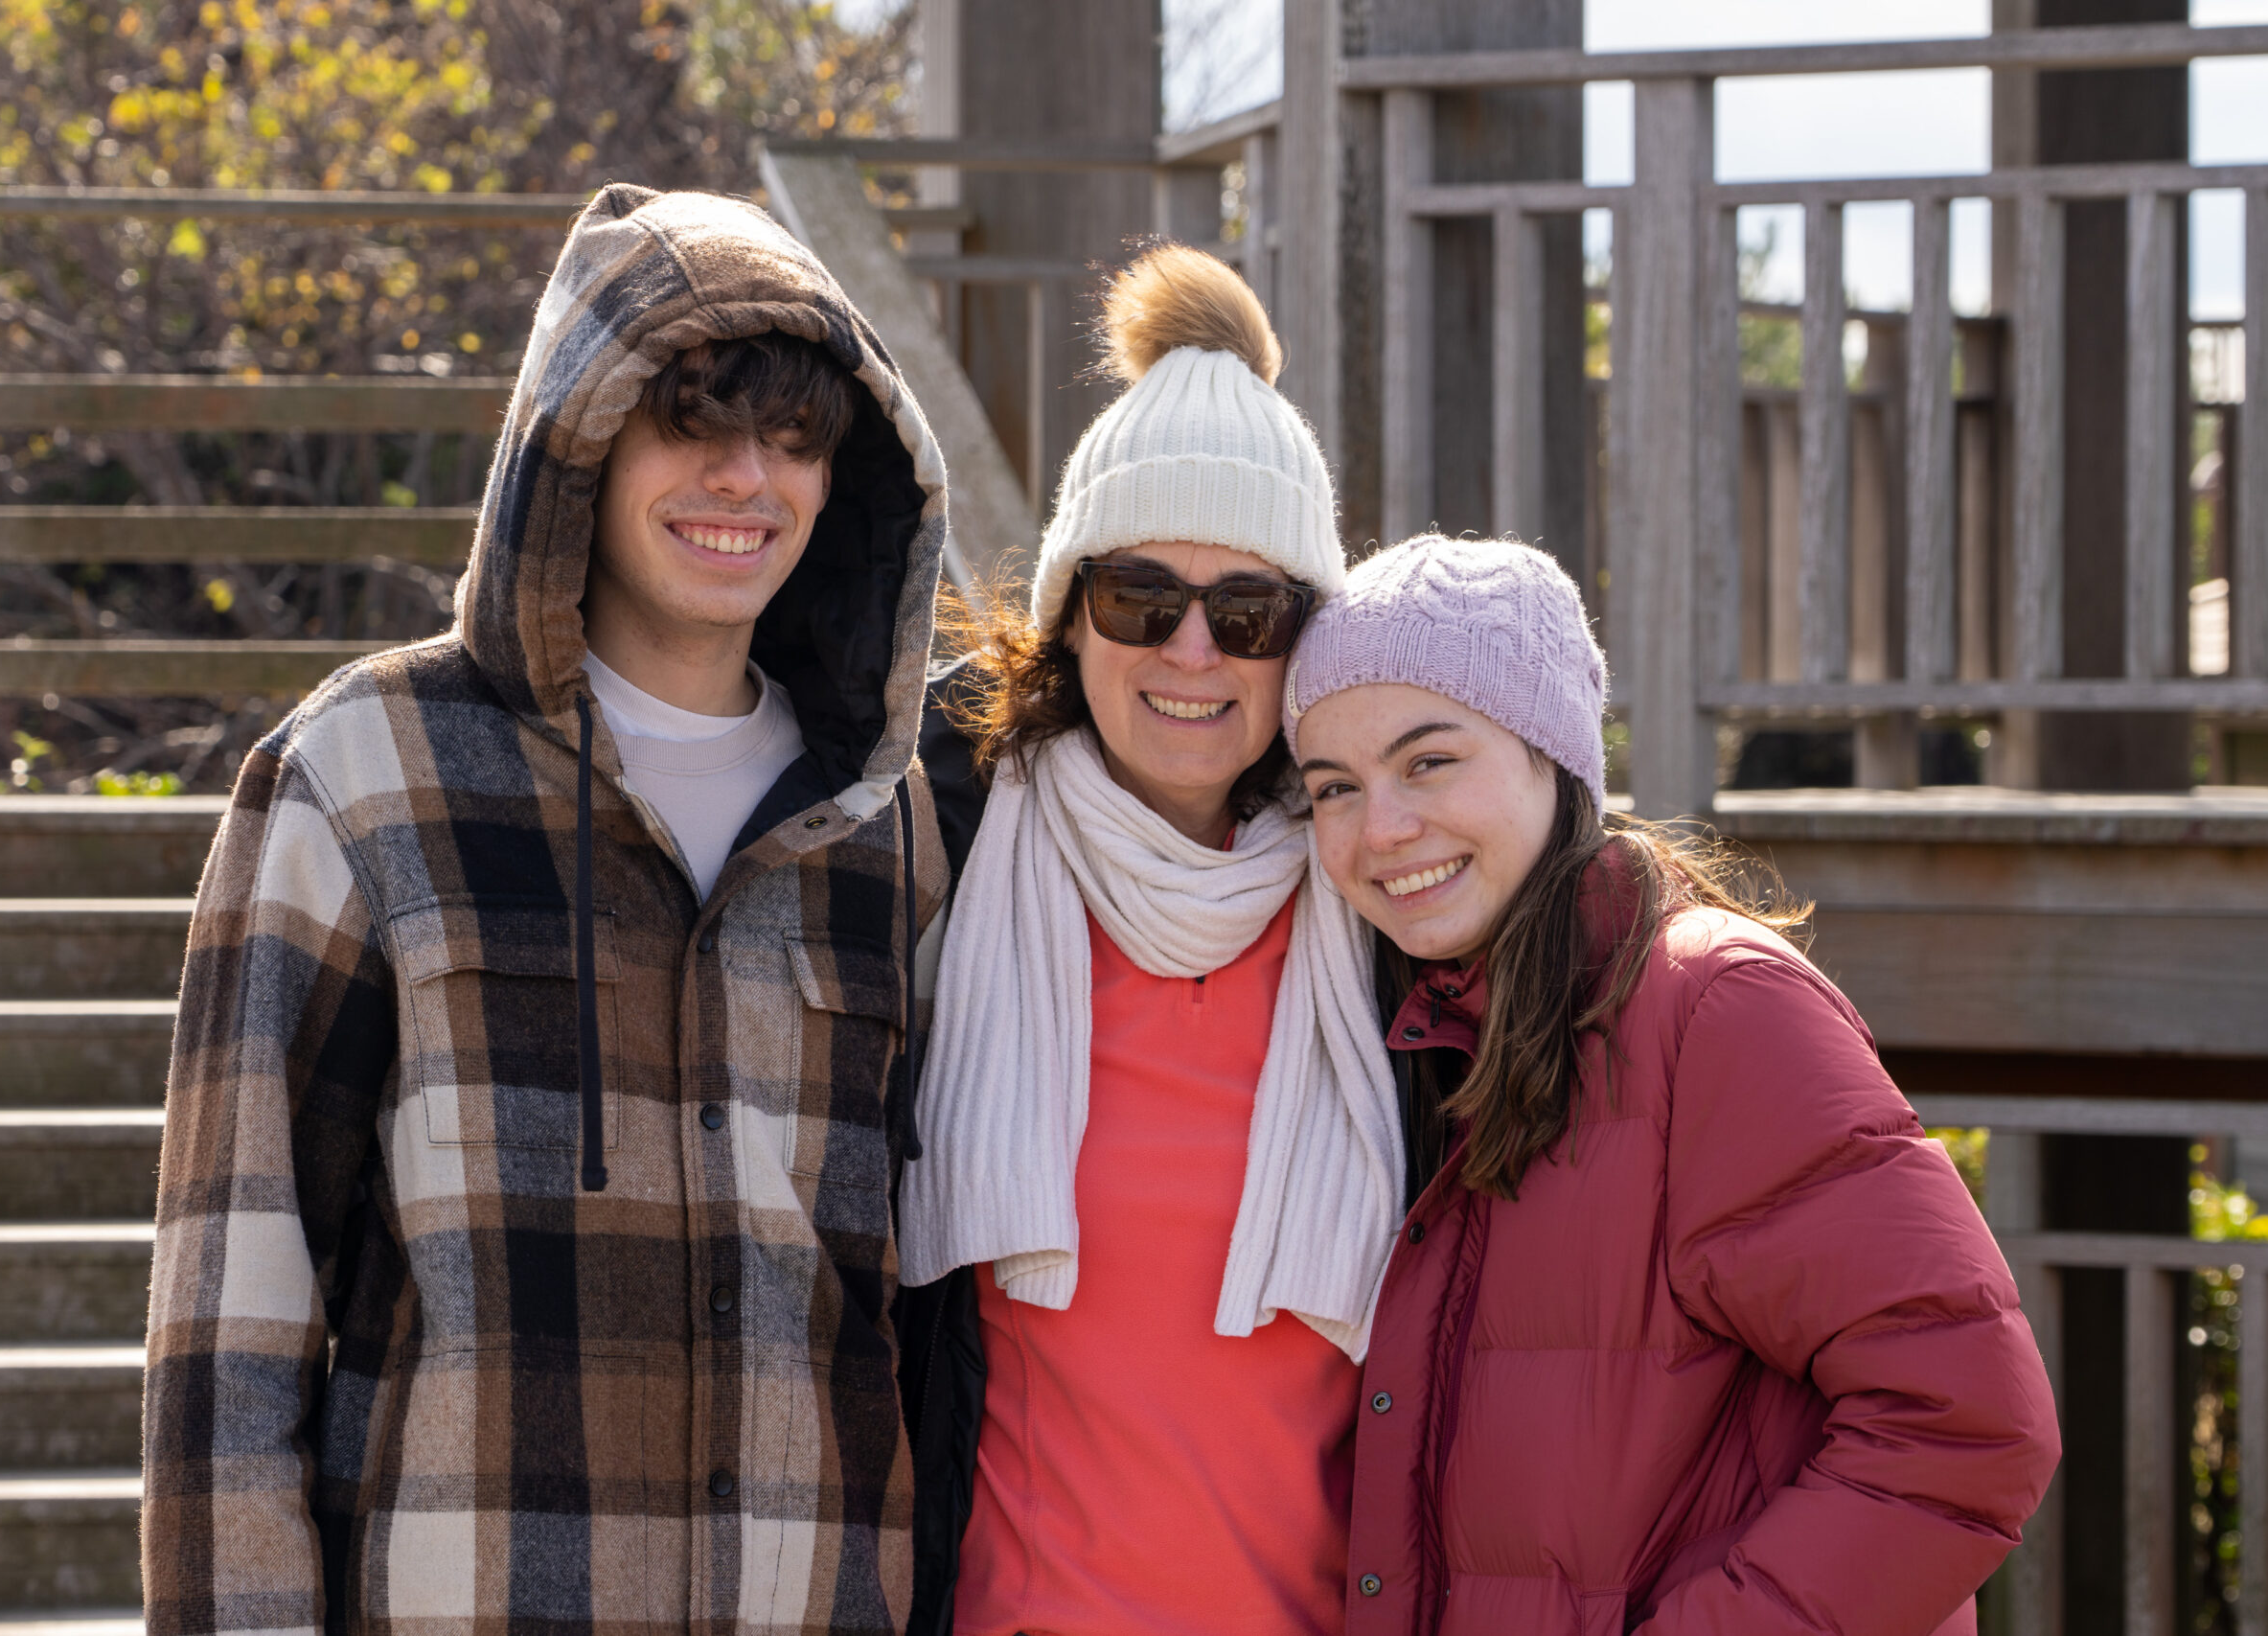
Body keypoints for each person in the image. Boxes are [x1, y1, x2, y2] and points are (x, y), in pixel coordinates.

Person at [142, 187, 954, 1634]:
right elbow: (232, 1326)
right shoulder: (360, 776)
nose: (746, 478)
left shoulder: (887, 823)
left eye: (796, 435)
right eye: (693, 420)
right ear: (577, 441)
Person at [1285, 534, 2062, 1636]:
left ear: (1550, 754)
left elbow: (1967, 1422)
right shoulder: (1427, 1035)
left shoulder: (1713, 1009)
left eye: (1428, 761)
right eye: (1334, 788)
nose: (1383, 829)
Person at [895, 242, 1404, 1636]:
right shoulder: (925, 860)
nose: (1192, 650)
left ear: (1308, 643)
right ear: (1070, 610)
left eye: (1248, 612)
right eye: (1140, 595)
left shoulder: (1393, 915)